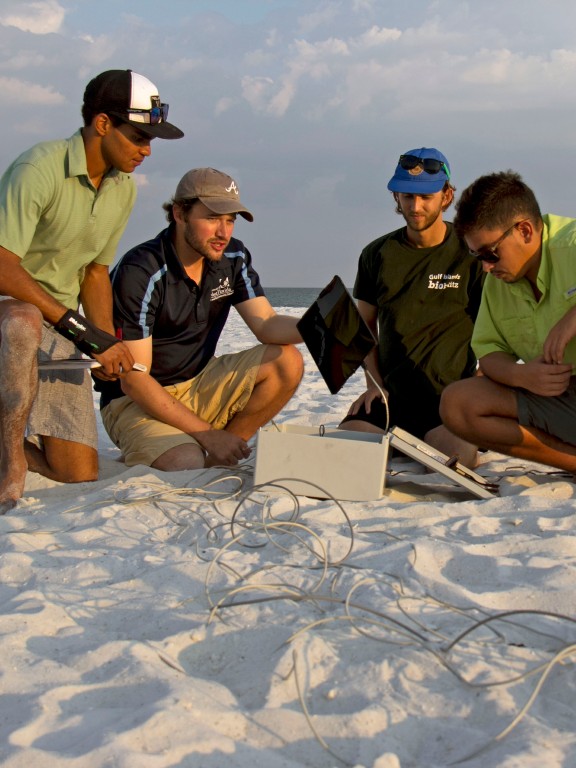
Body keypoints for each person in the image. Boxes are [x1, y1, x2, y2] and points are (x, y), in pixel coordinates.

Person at [0, 68, 184, 512]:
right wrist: (79, 329)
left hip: (61, 322)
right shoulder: (37, 168)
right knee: (23, 320)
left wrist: (104, 341)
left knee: (76, 472)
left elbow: (95, 273)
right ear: (102, 124)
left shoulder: (123, 188)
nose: (146, 149)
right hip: (11, 313)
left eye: (151, 140)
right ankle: (9, 464)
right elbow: (3, 265)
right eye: (138, 136)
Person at [97, 167, 304, 471]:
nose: (223, 232)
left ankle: (222, 454)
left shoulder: (232, 256)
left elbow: (266, 324)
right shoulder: (142, 269)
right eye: (212, 218)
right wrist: (207, 433)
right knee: (185, 461)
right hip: (136, 400)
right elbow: (134, 380)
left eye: (230, 220)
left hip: (198, 382)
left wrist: (316, 326)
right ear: (179, 214)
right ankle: (193, 446)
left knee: (287, 361)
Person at [339, 147, 484, 467]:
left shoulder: (470, 253)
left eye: (425, 196)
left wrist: (480, 393)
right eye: (407, 196)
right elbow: (362, 326)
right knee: (345, 455)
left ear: (446, 196)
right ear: (396, 198)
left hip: (448, 401)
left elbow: (492, 329)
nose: (415, 206)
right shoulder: (376, 253)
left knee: (458, 462)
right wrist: (373, 386)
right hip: (391, 397)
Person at [440, 171, 576, 473]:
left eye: (491, 253)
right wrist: (524, 376)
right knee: (458, 403)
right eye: (477, 257)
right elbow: (489, 353)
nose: (486, 267)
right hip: (561, 398)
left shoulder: (572, 243)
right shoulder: (497, 282)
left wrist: (572, 318)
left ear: (525, 230)